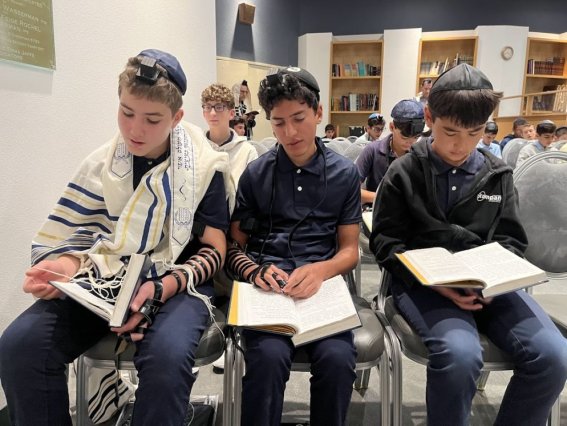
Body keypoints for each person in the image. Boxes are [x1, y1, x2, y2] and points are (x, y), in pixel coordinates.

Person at [0, 49, 231, 426]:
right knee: (21, 346)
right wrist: (65, 265)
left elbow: (214, 249)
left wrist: (161, 288)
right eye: (126, 113)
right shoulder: (102, 165)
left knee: (167, 358)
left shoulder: (203, 168)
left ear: (176, 118)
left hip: (177, 283)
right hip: (108, 281)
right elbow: (84, 237)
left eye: (152, 119)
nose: (135, 130)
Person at [371, 63, 567, 426]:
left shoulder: (497, 174)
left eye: (474, 133)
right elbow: (385, 242)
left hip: (489, 288)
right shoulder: (404, 173)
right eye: (449, 132)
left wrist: (491, 281)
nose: (460, 145)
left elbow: (511, 240)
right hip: (424, 286)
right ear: (429, 118)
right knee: (460, 356)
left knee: (554, 356)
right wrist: (437, 283)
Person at [226, 66, 361, 426]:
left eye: (299, 119)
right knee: (267, 360)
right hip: (269, 289)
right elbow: (232, 247)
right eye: (279, 123)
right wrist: (254, 271)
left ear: (318, 113)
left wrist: (321, 269)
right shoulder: (256, 174)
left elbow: (350, 251)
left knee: (337, 360)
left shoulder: (345, 174)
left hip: (323, 288)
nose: (290, 132)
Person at [201, 83, 258, 217]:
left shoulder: (247, 151)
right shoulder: (196, 146)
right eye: (208, 107)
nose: (212, 113)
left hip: (234, 218)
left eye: (219, 107)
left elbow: (252, 196)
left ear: (231, 113)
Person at [355, 99, 424, 206]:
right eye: (404, 137)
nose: (410, 142)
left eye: (416, 137)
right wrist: (384, 197)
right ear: (392, 127)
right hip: (376, 209)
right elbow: (352, 189)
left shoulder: (419, 155)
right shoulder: (372, 150)